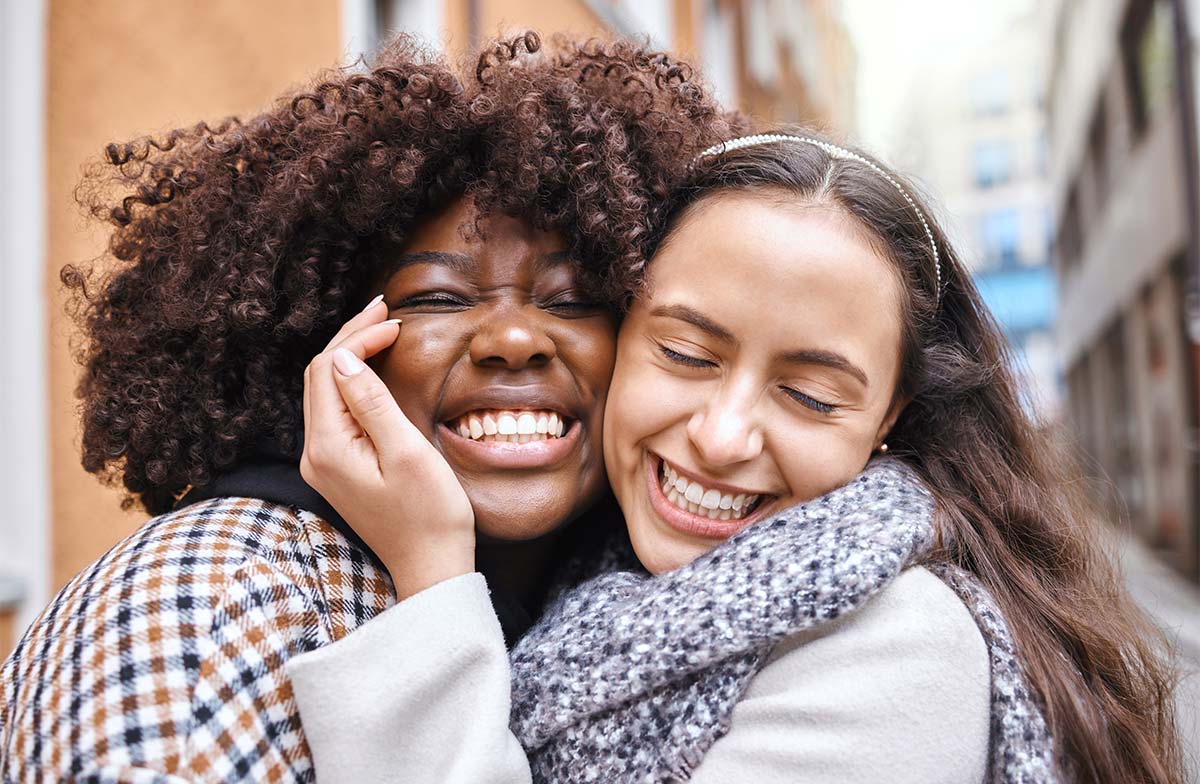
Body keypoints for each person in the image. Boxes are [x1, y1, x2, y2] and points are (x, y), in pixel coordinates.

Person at [289, 132, 1185, 782]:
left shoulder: (905, 651)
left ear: (887, 418)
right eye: (685, 354)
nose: (721, 438)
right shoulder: (596, 572)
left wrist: (433, 579)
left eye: (809, 394)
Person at [0, 33, 740, 781]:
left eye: (577, 300)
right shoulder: (210, 613)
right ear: (315, 341)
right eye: (438, 298)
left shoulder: (645, 605)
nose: (516, 338)